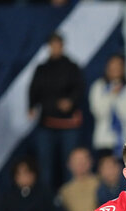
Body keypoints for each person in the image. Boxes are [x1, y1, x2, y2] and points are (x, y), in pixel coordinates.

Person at [28, 32, 85, 191]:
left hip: (68, 125)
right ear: (48, 47)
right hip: (47, 124)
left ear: (62, 45)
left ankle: (71, 199)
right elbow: (34, 89)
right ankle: (47, 201)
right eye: (52, 45)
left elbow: (80, 88)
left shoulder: (72, 67)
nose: (55, 48)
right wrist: (31, 106)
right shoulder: (42, 68)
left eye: (57, 44)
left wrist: (70, 101)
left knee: (71, 165)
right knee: (45, 165)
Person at [88, 54, 126, 160]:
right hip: (105, 141)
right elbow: (99, 112)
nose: (115, 69)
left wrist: (119, 97)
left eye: (118, 66)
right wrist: (111, 96)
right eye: (112, 66)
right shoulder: (98, 87)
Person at [58, 147, 100, 211]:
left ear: (91, 162)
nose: (81, 163)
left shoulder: (101, 183)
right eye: (77, 160)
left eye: (84, 159)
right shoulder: (65, 190)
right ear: (69, 164)